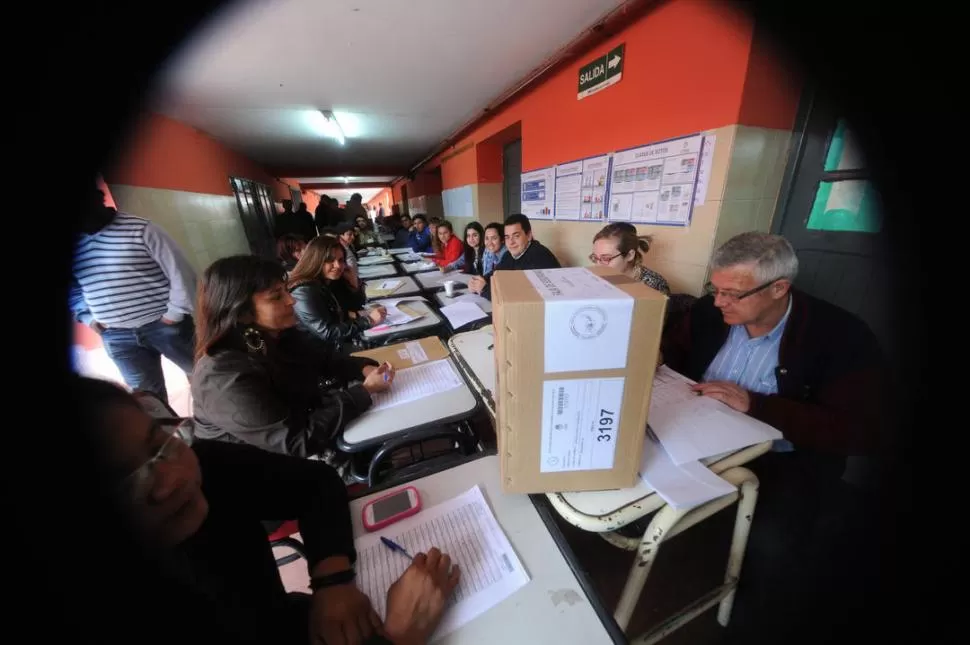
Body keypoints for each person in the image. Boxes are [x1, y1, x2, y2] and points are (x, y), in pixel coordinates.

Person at [79, 375, 460, 645]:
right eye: (127, 482)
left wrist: (331, 582)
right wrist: (402, 637)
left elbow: (315, 482)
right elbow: (298, 439)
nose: (171, 480)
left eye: (159, 443)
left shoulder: (200, 461)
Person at [659, 232, 889, 641]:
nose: (717, 302)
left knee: (772, 548)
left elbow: (860, 431)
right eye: (715, 289)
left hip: (786, 462)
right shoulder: (711, 316)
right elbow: (675, 351)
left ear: (779, 287)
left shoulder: (841, 337)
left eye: (732, 294)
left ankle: (744, 621)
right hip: (703, 437)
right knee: (650, 498)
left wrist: (758, 405)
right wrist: (658, 355)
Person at [190, 255, 394, 465]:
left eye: (286, 290)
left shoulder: (274, 336)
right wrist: (364, 392)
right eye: (276, 296)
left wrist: (363, 368)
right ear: (241, 312)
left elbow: (324, 360)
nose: (291, 300)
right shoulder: (222, 377)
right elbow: (296, 441)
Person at [70, 187, 197, 402]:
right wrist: (88, 318)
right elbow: (73, 289)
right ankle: (165, 434)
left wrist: (174, 314)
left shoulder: (142, 229)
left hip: (165, 327)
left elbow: (181, 273)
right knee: (148, 398)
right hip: (117, 336)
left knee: (203, 375)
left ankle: (217, 424)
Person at [288, 236, 387, 351]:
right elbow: (327, 333)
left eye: (341, 260)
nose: (338, 266)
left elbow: (357, 306)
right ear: (316, 260)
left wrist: (354, 283)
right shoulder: (303, 292)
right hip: (319, 353)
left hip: (338, 344)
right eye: (330, 260)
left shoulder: (331, 280)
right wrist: (369, 320)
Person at [468, 213, 560, 300]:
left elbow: (519, 296)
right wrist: (477, 281)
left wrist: (484, 290)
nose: (511, 242)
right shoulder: (510, 255)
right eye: (507, 237)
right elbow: (496, 274)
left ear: (529, 235)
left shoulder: (538, 256)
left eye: (516, 236)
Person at [590, 223, 670, 295]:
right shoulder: (597, 278)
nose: (598, 265)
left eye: (606, 258)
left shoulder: (654, 285)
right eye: (595, 258)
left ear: (629, 255)